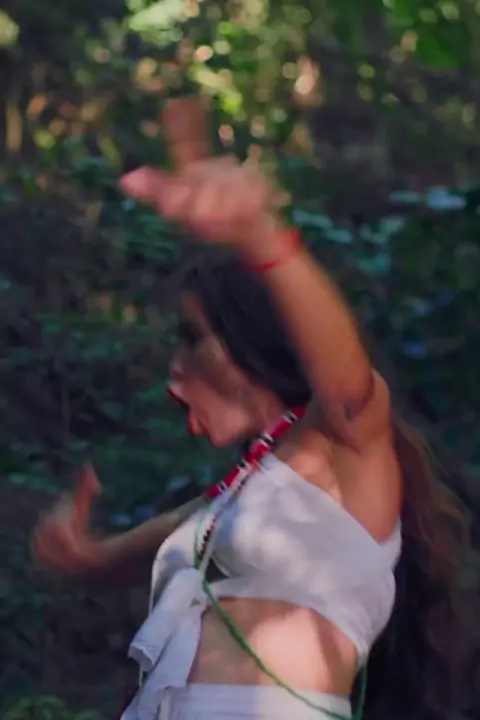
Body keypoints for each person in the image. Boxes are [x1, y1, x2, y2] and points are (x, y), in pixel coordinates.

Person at [33, 109, 467, 720]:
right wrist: (81, 556)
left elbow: (348, 383)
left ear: (251, 336)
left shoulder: (344, 444)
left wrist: (260, 237)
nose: (174, 369)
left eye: (192, 337)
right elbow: (125, 554)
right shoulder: (233, 498)